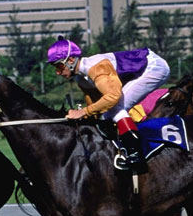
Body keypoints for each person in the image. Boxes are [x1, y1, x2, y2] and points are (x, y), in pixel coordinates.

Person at [47, 36, 171, 173]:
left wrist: (82, 112)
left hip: (154, 67)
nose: (58, 72)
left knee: (116, 107)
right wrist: (87, 116)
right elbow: (95, 104)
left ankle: (136, 155)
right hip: (140, 69)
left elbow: (112, 97)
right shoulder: (81, 79)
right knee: (106, 114)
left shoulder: (96, 68)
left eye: (59, 66)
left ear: (70, 60)